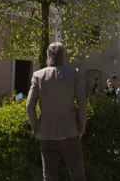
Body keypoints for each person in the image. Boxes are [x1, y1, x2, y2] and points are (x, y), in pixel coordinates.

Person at [26, 42, 88, 181]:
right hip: (70, 133)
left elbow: (29, 106)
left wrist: (36, 129)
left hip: (46, 135)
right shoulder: (73, 74)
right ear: (63, 56)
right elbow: (83, 103)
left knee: (49, 177)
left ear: (48, 56)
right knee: (78, 176)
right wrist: (80, 128)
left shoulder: (37, 76)